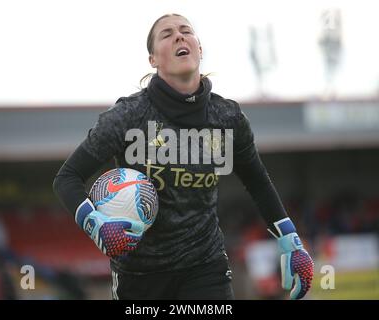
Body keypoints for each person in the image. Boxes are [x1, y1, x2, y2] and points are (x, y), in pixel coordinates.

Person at [53, 13, 314, 300]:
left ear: (199, 50)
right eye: (167, 34)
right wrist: (95, 224)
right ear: (153, 59)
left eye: (186, 31)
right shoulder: (128, 116)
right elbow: (67, 178)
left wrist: (292, 242)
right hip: (138, 276)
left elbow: (258, 182)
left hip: (205, 268)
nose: (179, 36)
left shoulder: (227, 117)